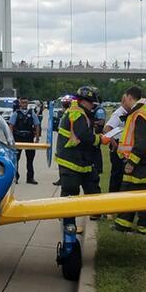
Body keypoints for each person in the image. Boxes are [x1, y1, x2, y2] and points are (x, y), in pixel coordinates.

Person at [114, 86, 146, 235]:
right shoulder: (141, 112)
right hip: (140, 161)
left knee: (144, 197)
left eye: (125, 99)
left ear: (130, 97)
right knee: (127, 192)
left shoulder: (140, 114)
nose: (123, 102)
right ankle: (123, 224)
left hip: (143, 162)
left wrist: (131, 162)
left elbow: (142, 142)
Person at [55, 87, 103, 231]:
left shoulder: (80, 112)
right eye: (91, 102)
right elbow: (84, 135)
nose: (92, 105)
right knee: (71, 193)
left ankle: (95, 213)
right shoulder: (77, 113)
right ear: (84, 101)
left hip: (80, 160)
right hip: (71, 161)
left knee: (92, 186)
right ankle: (68, 225)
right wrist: (100, 140)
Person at [9, 97, 41, 184]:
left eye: (26, 103)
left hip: (29, 138)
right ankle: (15, 177)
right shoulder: (16, 113)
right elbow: (11, 125)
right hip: (18, 138)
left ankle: (30, 178)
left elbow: (37, 125)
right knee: (16, 159)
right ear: (20, 104)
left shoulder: (32, 113)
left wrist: (37, 138)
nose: (24, 104)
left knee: (30, 159)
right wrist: (11, 138)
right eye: (23, 103)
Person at [103, 104, 128, 193]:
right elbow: (107, 128)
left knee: (122, 174)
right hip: (118, 145)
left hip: (123, 146)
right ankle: (113, 195)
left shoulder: (127, 112)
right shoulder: (119, 113)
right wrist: (114, 144)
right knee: (117, 174)